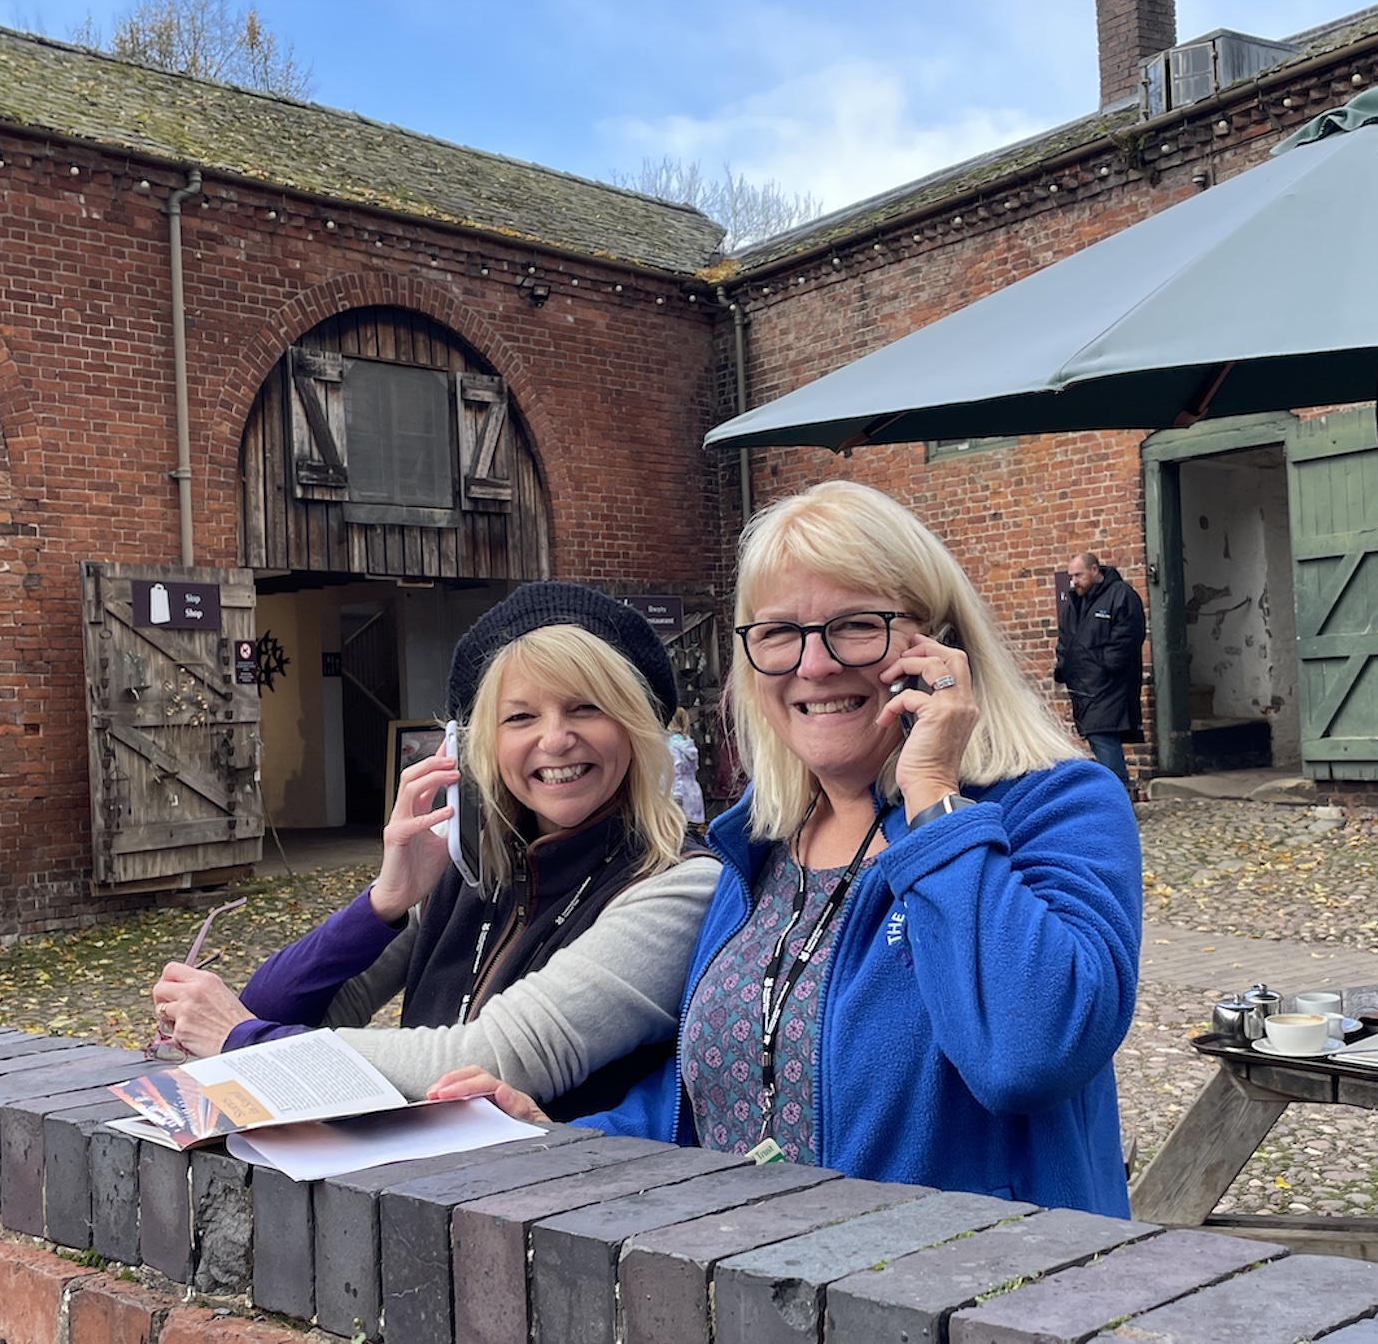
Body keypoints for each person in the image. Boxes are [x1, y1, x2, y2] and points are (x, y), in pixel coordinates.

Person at [435, 483, 1142, 1218]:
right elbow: (725, 1093)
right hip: (768, 1271)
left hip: (971, 1275)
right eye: (778, 633)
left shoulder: (1055, 806)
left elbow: (1029, 1054)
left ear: (940, 647)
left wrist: (935, 796)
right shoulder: (759, 843)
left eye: (856, 625)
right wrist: (567, 1139)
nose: (814, 664)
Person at [150, 583, 722, 1120]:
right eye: (520, 717)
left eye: (586, 708)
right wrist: (383, 904)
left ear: (635, 727)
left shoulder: (679, 885)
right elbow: (271, 1008)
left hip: (573, 1189)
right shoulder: (474, 870)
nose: (554, 739)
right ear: (482, 746)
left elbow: (490, 1060)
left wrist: (243, 1044)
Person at [1054, 551, 1147, 789]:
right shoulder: (1075, 603)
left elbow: (1128, 635)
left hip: (1110, 684)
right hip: (1083, 685)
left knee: (1102, 734)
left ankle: (1119, 791)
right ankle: (1118, 790)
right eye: (1071, 576)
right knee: (1098, 736)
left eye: (1078, 575)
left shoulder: (1120, 595)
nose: (1074, 581)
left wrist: (1107, 664)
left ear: (1094, 570)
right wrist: (1064, 667)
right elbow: (1066, 639)